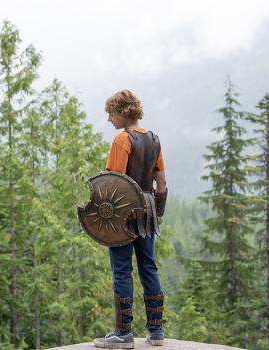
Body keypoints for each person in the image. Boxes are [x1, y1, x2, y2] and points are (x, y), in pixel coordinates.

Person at [94, 90, 168, 349]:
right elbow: (161, 183)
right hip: (147, 212)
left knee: (122, 268)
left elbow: (112, 183)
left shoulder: (121, 140)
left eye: (111, 113)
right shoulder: (154, 139)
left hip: (123, 213)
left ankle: (123, 334)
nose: (109, 119)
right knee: (149, 266)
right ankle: (156, 330)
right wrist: (156, 215)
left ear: (124, 111)